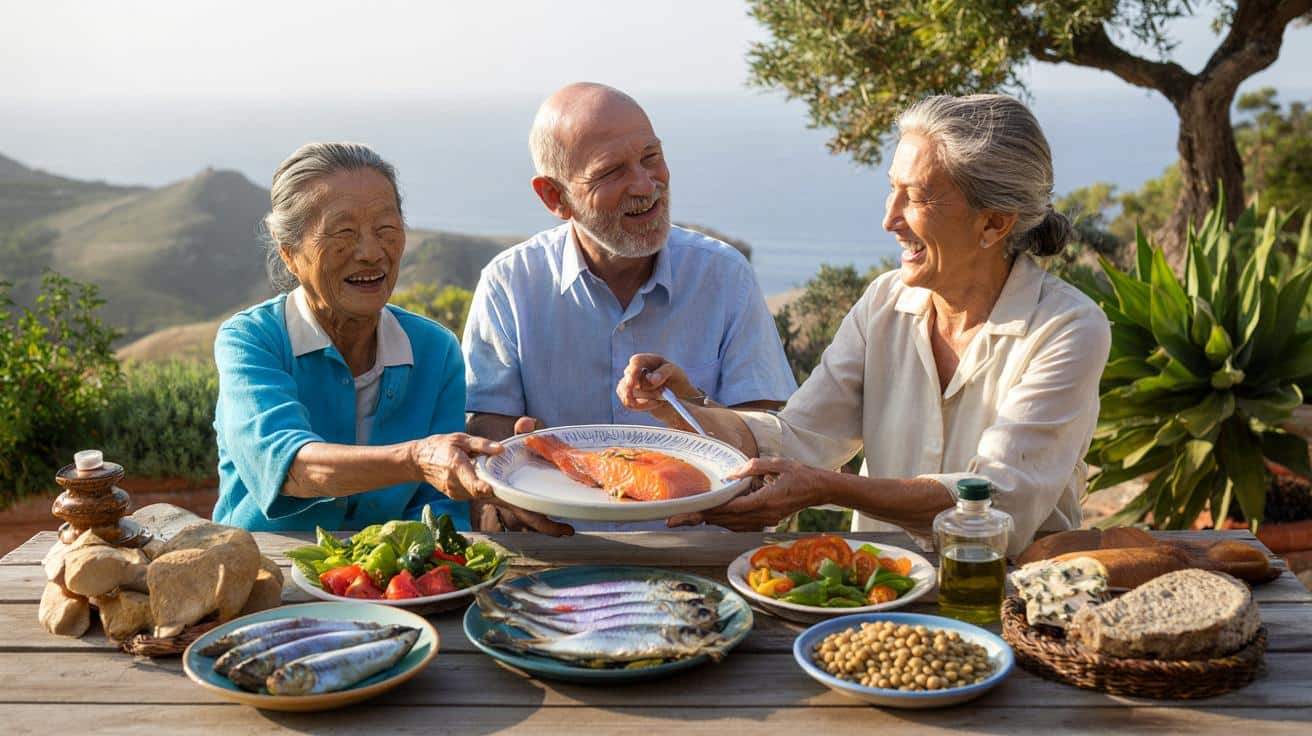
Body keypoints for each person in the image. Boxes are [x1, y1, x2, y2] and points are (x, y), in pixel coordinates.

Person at [617, 94, 1111, 556]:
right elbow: (799, 438)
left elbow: (999, 504)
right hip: (882, 596)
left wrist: (827, 489)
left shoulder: (1068, 328)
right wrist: (684, 406)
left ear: (993, 224)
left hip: (1014, 603)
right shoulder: (885, 301)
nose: (889, 219)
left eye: (915, 198)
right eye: (891, 190)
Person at [462, 82, 797, 530]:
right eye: (611, 172)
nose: (645, 184)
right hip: (561, 551)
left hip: (699, 552)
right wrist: (503, 495)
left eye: (651, 156)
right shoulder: (510, 284)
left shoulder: (724, 276)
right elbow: (490, 434)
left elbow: (768, 436)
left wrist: (692, 404)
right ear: (554, 198)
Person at [212, 142, 569, 535]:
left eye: (386, 229)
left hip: (393, 586)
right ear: (290, 255)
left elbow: (439, 510)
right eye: (343, 233)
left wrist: (495, 489)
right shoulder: (251, 340)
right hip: (265, 578)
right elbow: (290, 467)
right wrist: (416, 458)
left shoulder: (435, 350)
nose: (370, 252)